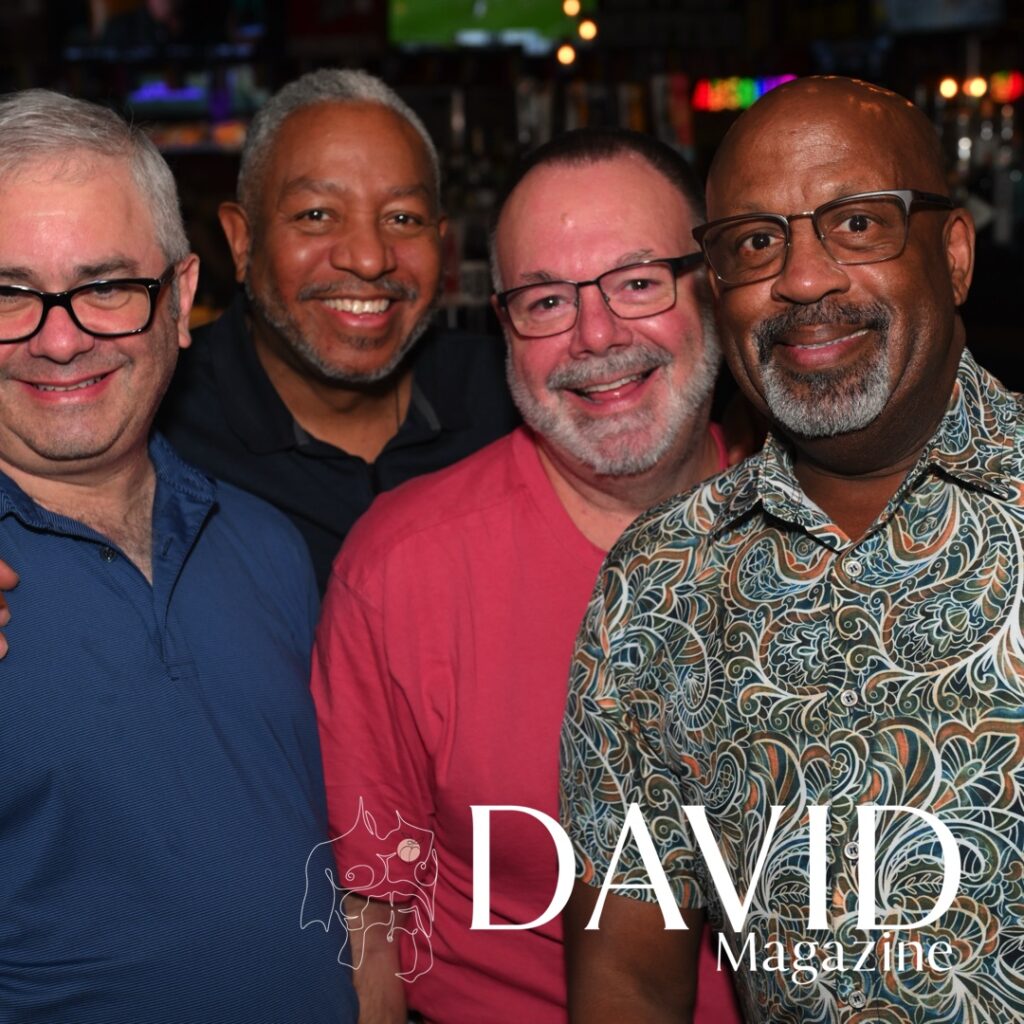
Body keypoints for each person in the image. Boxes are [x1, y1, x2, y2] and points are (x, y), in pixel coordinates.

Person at [559, 76, 1013, 1023]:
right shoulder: (660, 585)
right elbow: (630, 981)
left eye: (859, 224)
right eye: (756, 243)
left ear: (955, 255)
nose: (804, 280)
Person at [312, 129, 743, 1024]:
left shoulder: (836, 529)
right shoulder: (401, 572)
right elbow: (371, 920)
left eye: (638, 282)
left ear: (712, 285)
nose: (597, 335)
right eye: (546, 300)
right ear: (502, 327)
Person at [0, 89, 356, 1023]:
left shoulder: (265, 544)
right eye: (9, 294)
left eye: (107, 287)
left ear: (183, 297)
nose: (60, 338)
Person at [159, 68, 518, 591]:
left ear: (441, 244)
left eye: (403, 219)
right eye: (317, 214)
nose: (369, 259)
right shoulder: (159, 434)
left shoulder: (514, 400)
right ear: (242, 240)